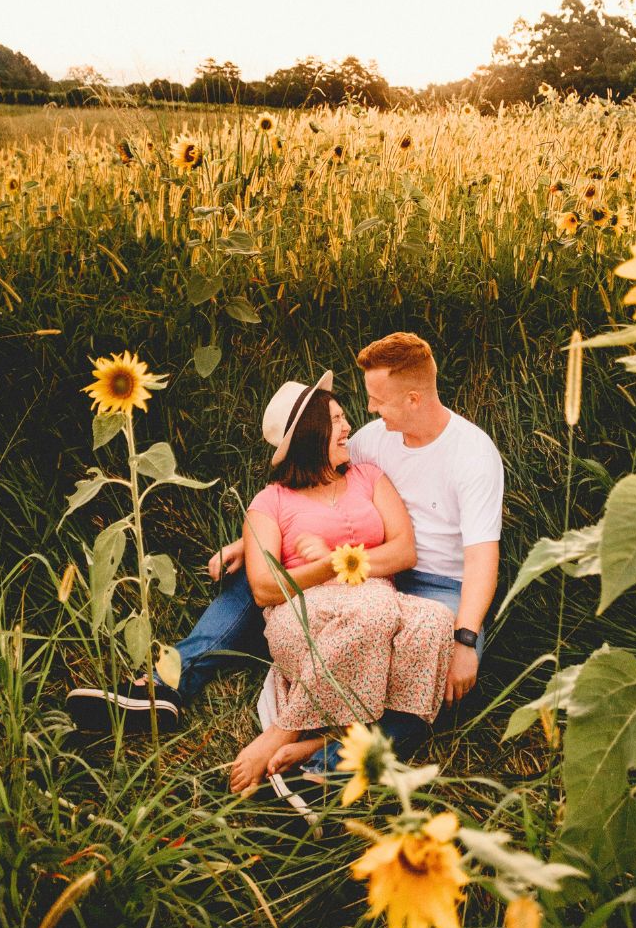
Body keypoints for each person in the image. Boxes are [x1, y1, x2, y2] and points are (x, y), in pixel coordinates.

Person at [67, 333, 504, 771]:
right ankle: (164, 685)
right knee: (256, 578)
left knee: (442, 671)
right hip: (355, 574)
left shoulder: (471, 454)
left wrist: (466, 637)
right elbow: (313, 488)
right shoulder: (376, 437)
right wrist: (253, 541)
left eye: (378, 400)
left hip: (437, 585)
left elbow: (482, 557)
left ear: (412, 399)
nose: (367, 411)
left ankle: (324, 760)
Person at [227, 371, 454, 792]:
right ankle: (288, 731)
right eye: (335, 420)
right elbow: (263, 587)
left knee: (434, 621)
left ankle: (319, 740)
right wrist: (332, 568)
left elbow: (404, 550)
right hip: (304, 617)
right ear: (310, 435)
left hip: (375, 602)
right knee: (375, 609)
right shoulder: (270, 501)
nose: (348, 427)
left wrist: (342, 561)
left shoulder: (368, 477)